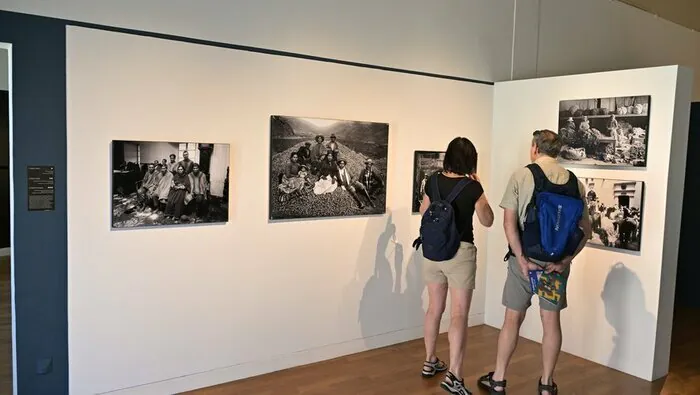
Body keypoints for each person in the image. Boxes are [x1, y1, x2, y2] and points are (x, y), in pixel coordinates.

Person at [477, 130, 592, 395]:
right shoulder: (575, 182)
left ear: (534, 148)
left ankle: (498, 380)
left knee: (512, 320)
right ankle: (547, 384)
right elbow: (586, 229)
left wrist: (521, 260)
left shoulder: (522, 175)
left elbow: (509, 224)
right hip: (554, 267)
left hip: (524, 264)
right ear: (557, 151)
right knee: (550, 323)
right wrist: (565, 261)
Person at [419, 137, 494, 395]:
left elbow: (423, 211)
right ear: (471, 159)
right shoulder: (472, 187)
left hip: (432, 252)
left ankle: (430, 361)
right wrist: (479, 189)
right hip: (460, 253)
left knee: (433, 309)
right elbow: (487, 220)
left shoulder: (432, 181)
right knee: (459, 314)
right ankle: (455, 376)